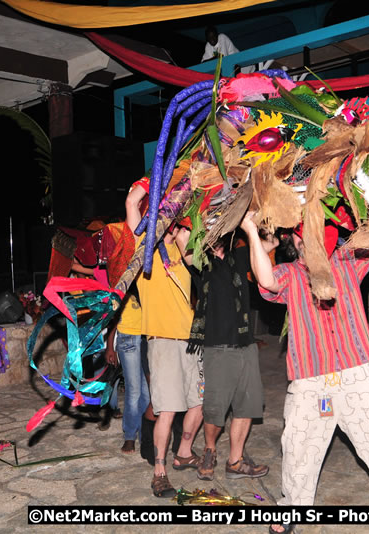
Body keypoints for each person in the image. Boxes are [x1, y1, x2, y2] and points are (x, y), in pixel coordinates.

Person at [241, 214, 369, 534]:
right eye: (299, 235)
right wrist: (252, 231)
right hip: (311, 381)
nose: (305, 239)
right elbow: (265, 281)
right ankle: (292, 507)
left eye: (312, 232)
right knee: (299, 447)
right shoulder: (291, 274)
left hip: (356, 375)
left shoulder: (347, 262)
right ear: (292, 241)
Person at [125, 183, 203, 498]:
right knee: (167, 410)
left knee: (200, 403)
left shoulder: (182, 248)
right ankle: (159, 471)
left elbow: (199, 263)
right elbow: (132, 202)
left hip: (191, 341)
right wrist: (152, 184)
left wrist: (184, 235)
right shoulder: (144, 248)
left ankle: (183, 452)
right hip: (163, 341)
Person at [178, 233, 269, 482]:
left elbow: (270, 242)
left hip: (245, 344)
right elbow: (182, 239)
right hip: (216, 346)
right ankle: (210, 450)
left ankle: (235, 461)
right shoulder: (200, 261)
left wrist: (257, 225)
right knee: (215, 408)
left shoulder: (239, 256)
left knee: (247, 404)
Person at [105, 284, 150, 454]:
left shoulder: (148, 279)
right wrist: (110, 345)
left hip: (147, 337)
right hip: (127, 337)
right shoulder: (123, 282)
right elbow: (113, 317)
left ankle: (145, 435)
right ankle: (130, 435)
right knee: (134, 390)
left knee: (147, 392)